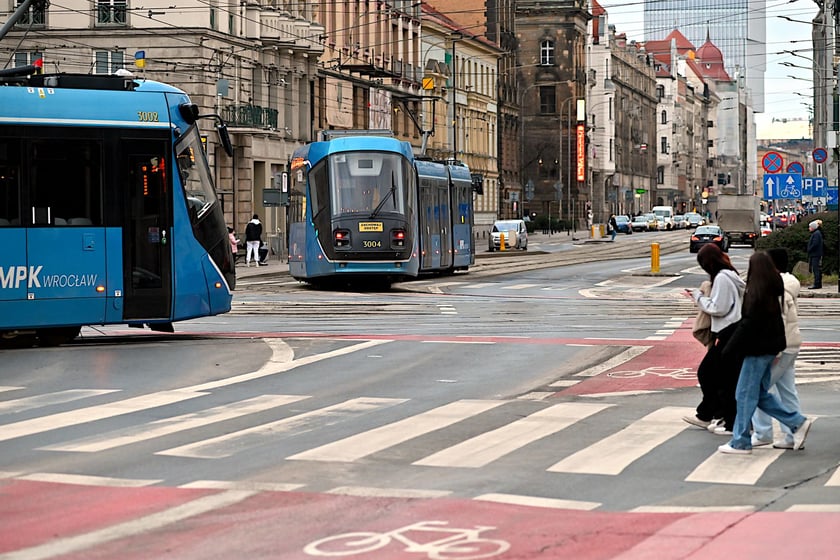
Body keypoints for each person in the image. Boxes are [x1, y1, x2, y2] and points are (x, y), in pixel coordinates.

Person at [717, 251, 813, 454]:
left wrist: (729, 348)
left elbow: (747, 324)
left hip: (757, 350)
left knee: (744, 394)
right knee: (759, 393)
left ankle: (741, 441)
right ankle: (796, 422)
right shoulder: (775, 290)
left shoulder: (757, 293)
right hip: (772, 348)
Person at [683, 243, 746, 435]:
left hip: (728, 332)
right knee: (718, 376)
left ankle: (721, 417)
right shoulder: (730, 276)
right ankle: (711, 414)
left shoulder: (722, 278)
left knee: (710, 374)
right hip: (732, 332)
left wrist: (698, 298)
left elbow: (719, 307)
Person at [751, 248, 802, 449]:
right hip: (791, 343)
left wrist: (775, 350)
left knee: (758, 389)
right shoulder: (789, 282)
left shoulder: (779, 287)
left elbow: (777, 318)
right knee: (787, 390)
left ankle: (764, 432)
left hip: (781, 346)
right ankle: (792, 436)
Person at [807, 219, 824, 289]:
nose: (809, 228)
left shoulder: (816, 234)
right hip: (816, 254)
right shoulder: (817, 233)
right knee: (817, 269)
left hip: (815, 254)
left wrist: (809, 249)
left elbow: (815, 244)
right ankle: (818, 283)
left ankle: (817, 284)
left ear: (813, 227)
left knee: (816, 269)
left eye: (810, 227)